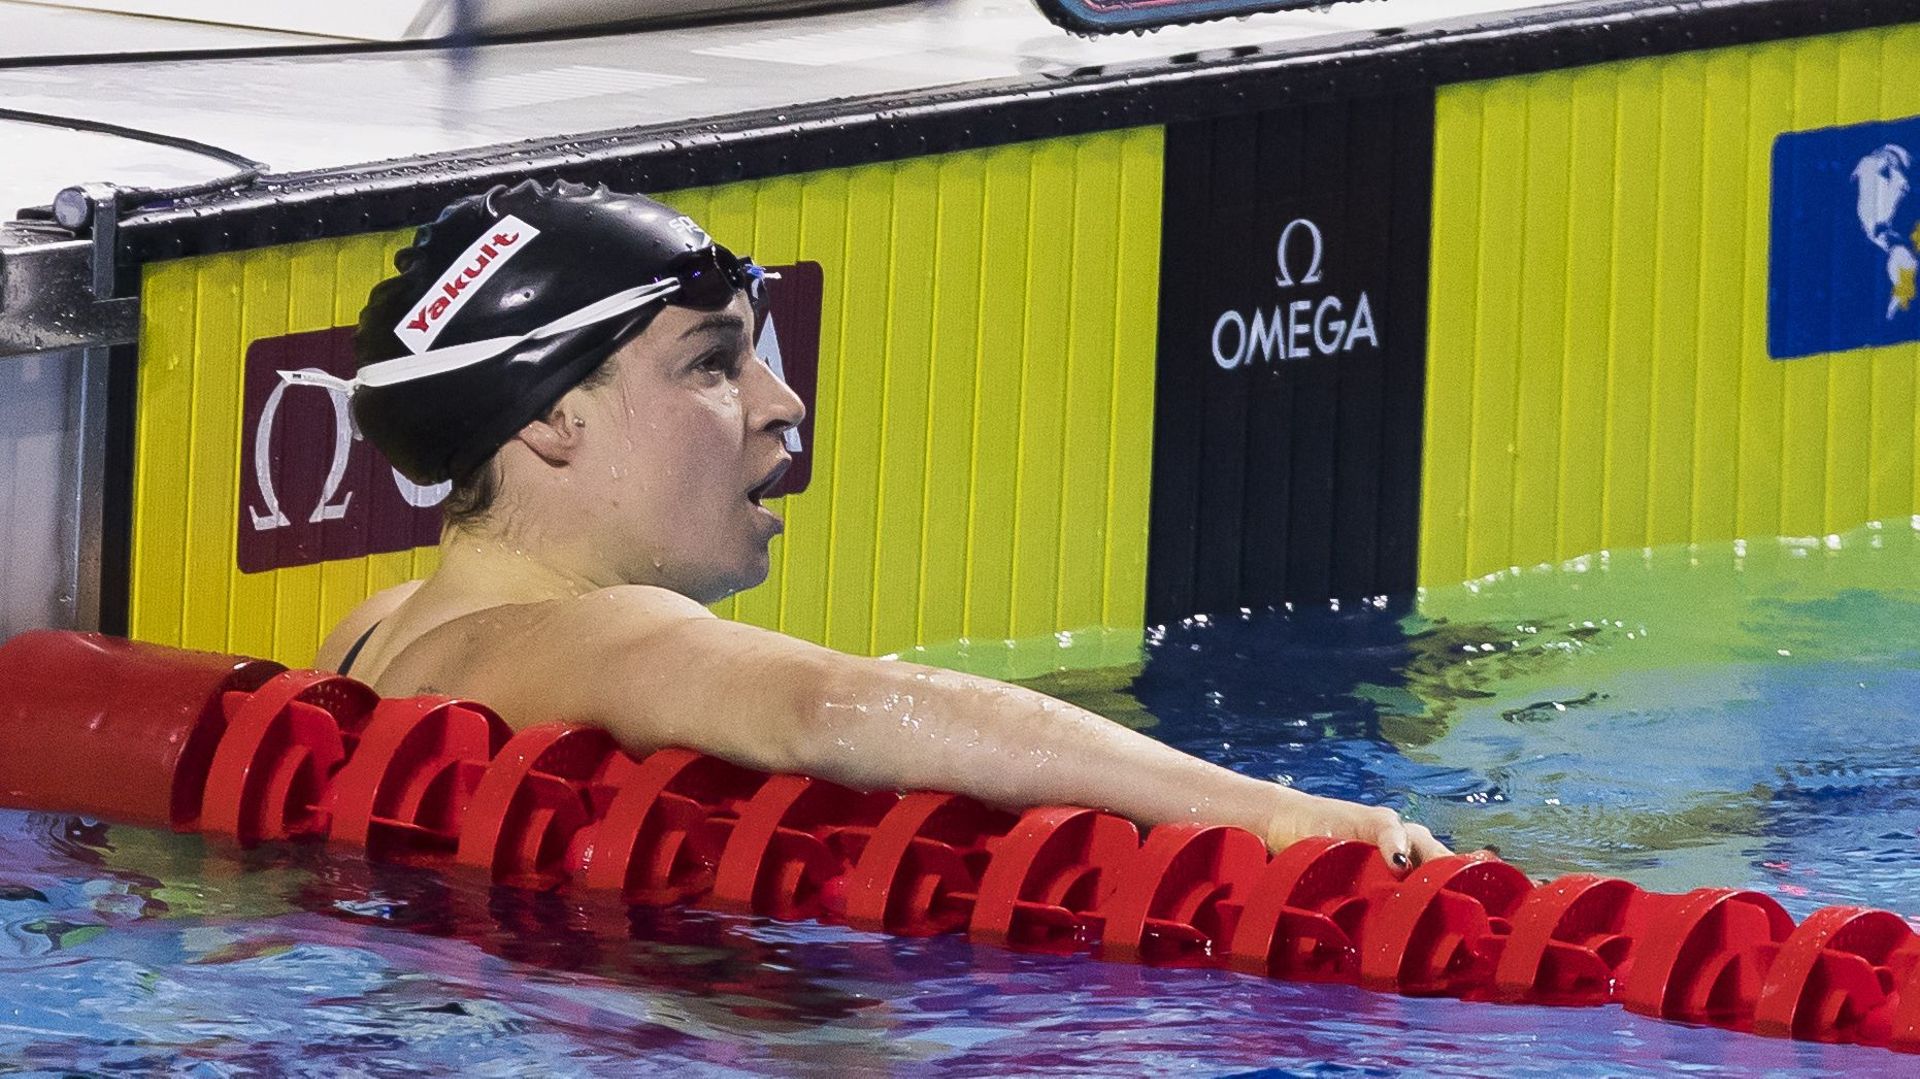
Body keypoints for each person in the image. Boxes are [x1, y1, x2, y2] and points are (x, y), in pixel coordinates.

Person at [310, 179, 1448, 869]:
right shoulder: (590, 632)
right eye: (714, 364)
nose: (781, 404)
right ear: (553, 420)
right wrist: (1284, 815)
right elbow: (835, 706)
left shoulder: (379, 632)